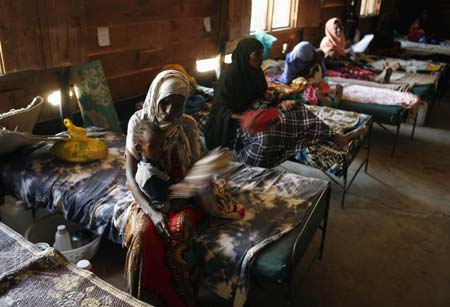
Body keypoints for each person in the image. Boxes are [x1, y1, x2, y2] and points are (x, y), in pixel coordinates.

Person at [125, 70, 204, 307]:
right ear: (156, 97)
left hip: (182, 193)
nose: (171, 111)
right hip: (149, 195)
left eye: (178, 105)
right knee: (142, 233)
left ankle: (180, 298)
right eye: (165, 102)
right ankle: (145, 299)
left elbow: (196, 171)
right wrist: (151, 211)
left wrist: (184, 193)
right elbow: (130, 174)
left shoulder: (188, 125)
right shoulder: (139, 122)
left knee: (180, 229)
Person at [204, 37, 296, 150]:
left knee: (291, 114)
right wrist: (243, 117)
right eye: (256, 55)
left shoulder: (256, 71)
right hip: (232, 121)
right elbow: (218, 108)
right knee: (267, 136)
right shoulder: (231, 75)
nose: (261, 59)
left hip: (252, 113)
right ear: (245, 55)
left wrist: (270, 96)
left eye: (261, 54)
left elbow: (260, 93)